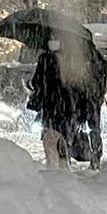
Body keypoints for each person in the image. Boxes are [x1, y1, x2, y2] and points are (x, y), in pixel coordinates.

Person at [29, 37, 76, 169]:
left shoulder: (45, 59)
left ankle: (54, 170)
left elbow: (36, 81)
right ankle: (63, 165)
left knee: (50, 140)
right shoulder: (69, 59)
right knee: (63, 137)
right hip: (66, 106)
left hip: (50, 106)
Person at [69, 42, 107, 169]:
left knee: (74, 127)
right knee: (94, 129)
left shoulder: (78, 59)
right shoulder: (99, 60)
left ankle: (71, 154)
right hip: (92, 100)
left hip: (82, 100)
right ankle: (95, 156)